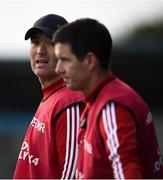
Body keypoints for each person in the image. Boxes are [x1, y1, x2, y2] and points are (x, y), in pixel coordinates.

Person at [52, 18, 163, 179]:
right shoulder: (101, 98)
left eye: (65, 60)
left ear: (90, 61)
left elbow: (127, 171)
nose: (58, 69)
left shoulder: (112, 107)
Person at [13, 14, 84, 179]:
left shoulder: (69, 101)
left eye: (51, 43)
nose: (40, 51)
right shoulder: (53, 96)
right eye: (35, 42)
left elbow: (73, 175)